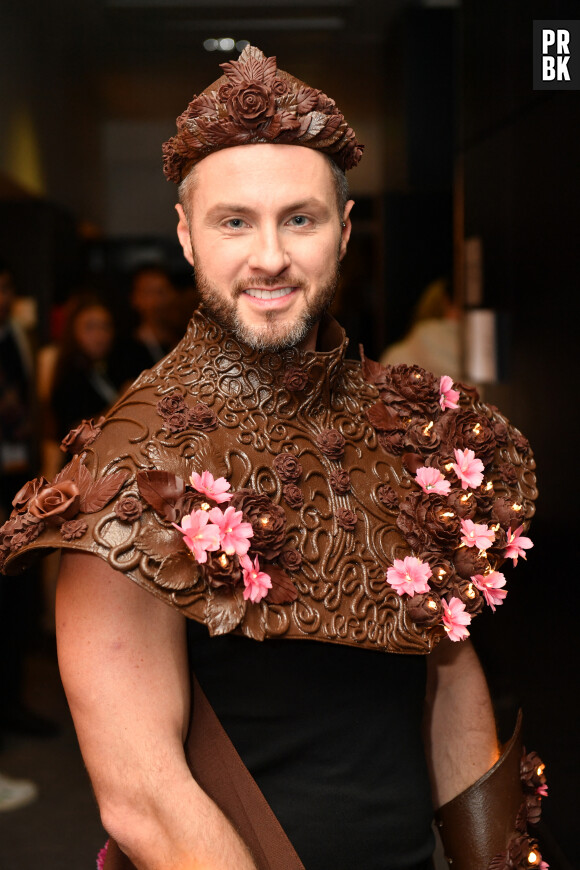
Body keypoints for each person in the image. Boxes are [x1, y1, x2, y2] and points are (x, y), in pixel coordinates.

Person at [0, 46, 545, 870]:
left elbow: (448, 676)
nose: (269, 257)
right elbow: (144, 795)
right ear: (185, 235)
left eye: (300, 218)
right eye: (234, 221)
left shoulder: (415, 429)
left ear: (345, 229)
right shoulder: (132, 462)